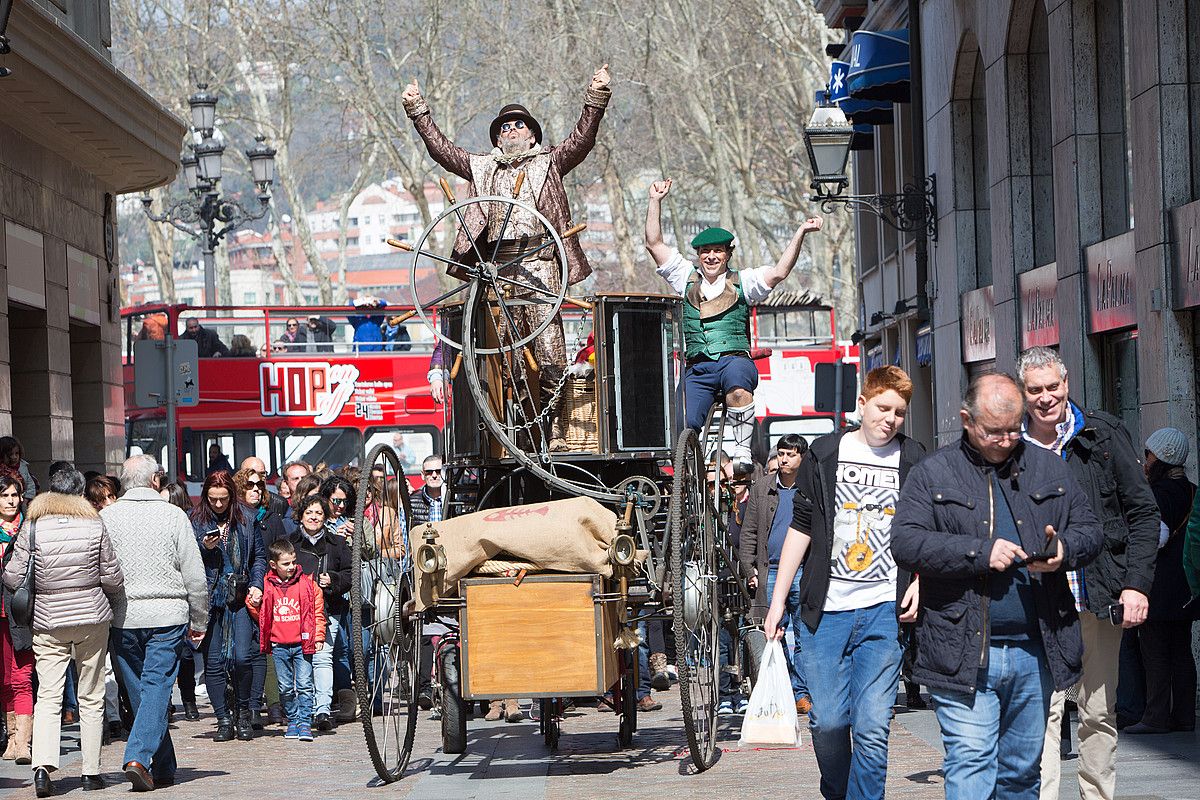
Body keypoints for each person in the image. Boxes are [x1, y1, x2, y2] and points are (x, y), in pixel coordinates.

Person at [891, 373, 1103, 799]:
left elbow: (1091, 529)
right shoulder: (934, 472)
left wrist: (1064, 549)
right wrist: (978, 552)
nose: (1006, 439)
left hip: (1036, 647)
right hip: (960, 649)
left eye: (1013, 428)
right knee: (971, 761)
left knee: (1022, 773)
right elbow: (906, 541)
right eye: (994, 431)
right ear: (967, 420)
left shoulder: (1048, 465)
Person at [402, 66, 611, 446]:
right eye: (504, 127)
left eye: (518, 125)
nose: (511, 131)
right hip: (496, 272)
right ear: (498, 137)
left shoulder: (550, 162)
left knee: (550, 358)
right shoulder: (481, 168)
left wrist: (595, 97)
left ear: (532, 133)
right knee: (507, 363)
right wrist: (418, 110)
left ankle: (556, 431)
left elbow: (583, 139)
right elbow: (443, 151)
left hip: (541, 268)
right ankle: (520, 434)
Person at [764, 365, 925, 800]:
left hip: (883, 614)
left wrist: (919, 580)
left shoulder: (913, 458)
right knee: (830, 721)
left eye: (900, 412)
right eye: (883, 407)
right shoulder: (824, 453)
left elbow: (928, 529)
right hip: (825, 613)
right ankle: (837, 792)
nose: (890, 419)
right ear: (862, 405)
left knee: (873, 726)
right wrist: (777, 602)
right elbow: (801, 527)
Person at [1015, 348, 1161, 800]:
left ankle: (1097, 796)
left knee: (1099, 712)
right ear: (1023, 393)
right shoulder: (1008, 443)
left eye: (1052, 387)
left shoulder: (1101, 433)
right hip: (1035, 604)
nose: (1045, 398)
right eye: (1034, 390)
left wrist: (1136, 584)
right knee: (1042, 715)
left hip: (1098, 595)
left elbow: (1141, 511)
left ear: (1067, 383)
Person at [644, 179, 823, 473]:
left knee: (739, 386)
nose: (711, 257)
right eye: (705, 252)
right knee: (681, 421)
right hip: (698, 367)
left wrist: (801, 232)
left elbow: (779, 272)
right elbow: (654, 243)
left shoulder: (745, 281)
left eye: (717, 251)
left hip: (733, 361)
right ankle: (689, 467)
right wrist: (655, 200)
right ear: (698, 256)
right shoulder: (683, 277)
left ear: (728, 254)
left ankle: (741, 448)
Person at [3, 469, 123, 797]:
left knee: (50, 695)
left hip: (48, 622)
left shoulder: (33, 526)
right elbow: (112, 577)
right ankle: (90, 771)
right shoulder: (95, 524)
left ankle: (42, 768)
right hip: (91, 619)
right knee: (91, 694)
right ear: (80, 492)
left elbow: (12, 578)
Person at [101, 456, 208, 792]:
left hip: (124, 617)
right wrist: (200, 617)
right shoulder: (173, 515)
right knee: (157, 691)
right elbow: (194, 573)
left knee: (144, 695)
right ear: (156, 480)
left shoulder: (106, 516)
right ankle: (138, 757)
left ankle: (163, 767)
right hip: (167, 616)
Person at [1125, 428, 1197, 734]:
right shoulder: (1192, 490)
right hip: (1185, 586)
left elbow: (1155, 538)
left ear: (1162, 458)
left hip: (1157, 586)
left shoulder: (1157, 494)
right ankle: (1183, 716)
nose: (1145, 461)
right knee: (1181, 650)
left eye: (1149, 455)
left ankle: (1155, 717)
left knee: (1155, 652)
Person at [190, 471, 266, 743]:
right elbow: (187, 561)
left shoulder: (246, 518)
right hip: (209, 597)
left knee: (243, 657)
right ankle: (223, 718)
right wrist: (204, 548)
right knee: (213, 662)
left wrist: (257, 583)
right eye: (213, 499)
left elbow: (259, 556)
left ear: (232, 497)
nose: (218, 505)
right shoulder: (195, 520)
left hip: (240, 595)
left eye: (223, 499)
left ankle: (243, 711)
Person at [739, 434, 810, 715]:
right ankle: (789, 687)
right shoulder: (762, 488)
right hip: (770, 571)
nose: (784, 459)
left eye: (791, 454)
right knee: (773, 634)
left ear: (802, 458)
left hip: (803, 572)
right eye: (781, 453)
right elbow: (749, 533)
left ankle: (802, 693)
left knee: (805, 637)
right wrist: (750, 569)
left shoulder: (810, 487)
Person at [248, 538, 325, 743]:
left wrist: (318, 636)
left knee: (305, 684)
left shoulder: (307, 584)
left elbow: (317, 612)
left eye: (293, 562)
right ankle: (292, 720)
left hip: (302, 644)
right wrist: (253, 602)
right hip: (279, 644)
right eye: (286, 563)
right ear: (273, 565)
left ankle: (305, 723)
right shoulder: (266, 585)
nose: (291, 567)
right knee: (284, 687)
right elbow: (260, 613)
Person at [285, 494, 352, 732]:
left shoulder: (337, 543)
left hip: (327, 608)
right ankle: (305, 707)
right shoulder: (289, 543)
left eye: (319, 513)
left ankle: (322, 709)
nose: (314, 517)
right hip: (296, 611)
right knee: (302, 659)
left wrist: (332, 579)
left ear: (326, 517)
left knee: (323, 657)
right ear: (301, 516)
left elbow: (349, 573)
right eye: (309, 513)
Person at [234, 467, 285, 728]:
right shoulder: (234, 518)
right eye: (250, 485)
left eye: (259, 485)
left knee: (262, 649)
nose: (256, 489)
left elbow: (281, 553)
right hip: (238, 594)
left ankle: (261, 706)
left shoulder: (270, 519)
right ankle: (241, 704)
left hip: (266, 591)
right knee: (240, 653)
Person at [159, 481, 202, 723]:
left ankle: (188, 700)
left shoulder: (187, 524)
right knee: (165, 656)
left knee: (185, 655)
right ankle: (165, 702)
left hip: (184, 594)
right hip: (164, 596)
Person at [0, 474, 34, 765]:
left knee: (22, 676)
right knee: (5, 679)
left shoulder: (29, 530)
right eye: (4, 496)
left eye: (14, 495)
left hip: (23, 614)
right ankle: (11, 738)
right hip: (0, 615)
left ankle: (23, 742)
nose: (11, 501)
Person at [409, 455, 444, 526]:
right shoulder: (411, 502)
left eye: (438, 471)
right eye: (429, 472)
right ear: (422, 475)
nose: (434, 475)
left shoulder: (456, 499)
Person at [0, 436, 37, 501]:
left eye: (16, 453)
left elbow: (30, 485)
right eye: (10, 454)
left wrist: (26, 499)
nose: (14, 457)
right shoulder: (1, 470)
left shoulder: (22, 466)